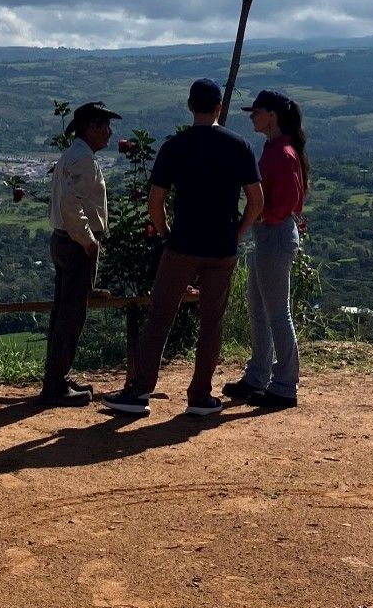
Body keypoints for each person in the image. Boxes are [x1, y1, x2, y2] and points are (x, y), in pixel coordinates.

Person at [100, 79, 262, 420]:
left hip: (182, 244)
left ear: (189, 106)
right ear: (219, 107)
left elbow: (155, 201)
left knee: (160, 315)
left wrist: (165, 233)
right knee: (211, 321)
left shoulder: (174, 147)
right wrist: (237, 233)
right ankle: (200, 396)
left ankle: (138, 392)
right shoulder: (240, 146)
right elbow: (256, 201)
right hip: (222, 247)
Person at [224, 89, 309, 410]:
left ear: (272, 116)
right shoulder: (277, 148)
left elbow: (289, 201)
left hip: (275, 236)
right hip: (269, 236)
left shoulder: (282, 152)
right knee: (259, 309)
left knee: (276, 312)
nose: (252, 117)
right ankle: (258, 376)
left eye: (257, 112)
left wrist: (261, 216)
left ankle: (285, 385)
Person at [42, 100, 121, 406]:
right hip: (76, 244)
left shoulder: (72, 155)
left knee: (62, 312)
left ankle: (56, 378)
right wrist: (88, 240)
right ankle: (56, 385)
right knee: (72, 316)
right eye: (105, 126)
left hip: (63, 240)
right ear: (91, 127)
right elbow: (71, 205)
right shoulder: (84, 159)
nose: (109, 132)